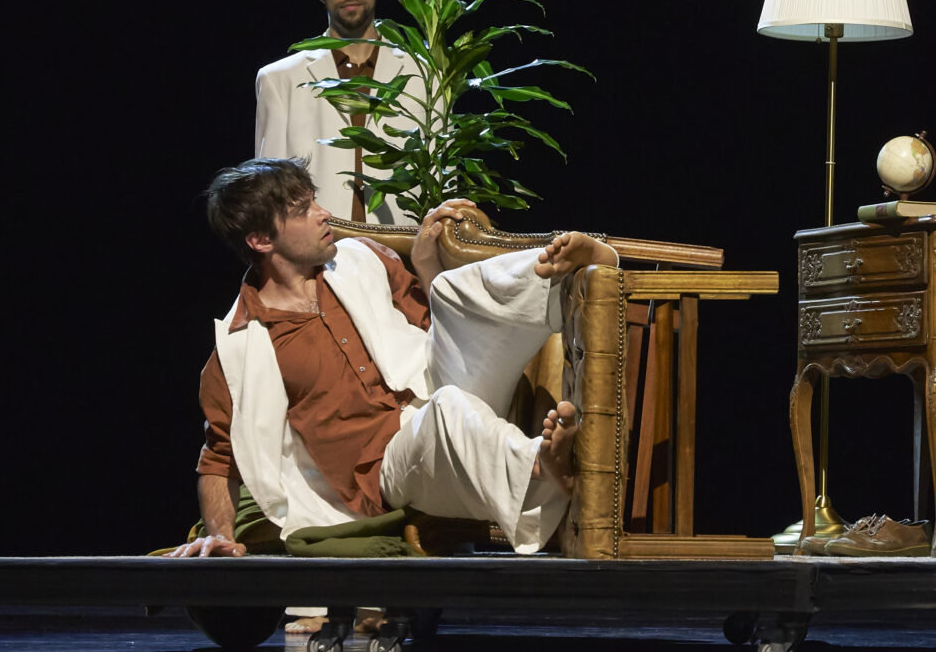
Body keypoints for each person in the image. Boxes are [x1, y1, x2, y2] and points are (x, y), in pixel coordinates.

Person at [169, 158, 614, 563]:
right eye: (303, 210)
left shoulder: (364, 259)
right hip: (391, 464)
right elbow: (218, 461)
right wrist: (219, 535)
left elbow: (444, 329)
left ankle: (569, 277)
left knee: (451, 293)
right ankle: (539, 463)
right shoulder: (238, 350)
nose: (325, 214)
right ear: (261, 240)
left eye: (314, 201)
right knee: (448, 410)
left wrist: (424, 265)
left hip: (437, 380)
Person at [254, 0, 416, 226]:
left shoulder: (422, 75)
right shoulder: (280, 80)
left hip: (405, 252)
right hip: (318, 259)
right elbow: (269, 194)